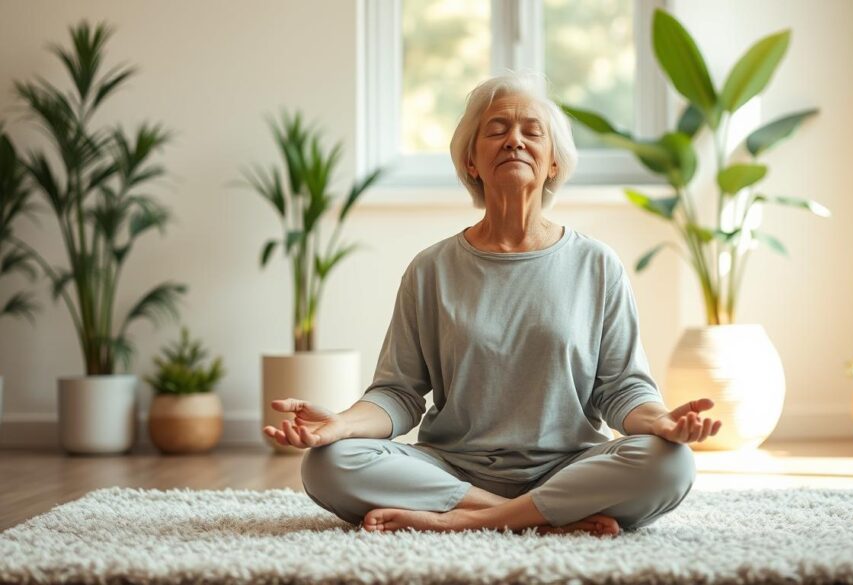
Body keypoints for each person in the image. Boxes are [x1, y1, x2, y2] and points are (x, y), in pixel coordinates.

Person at [263, 71, 722, 537]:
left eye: (532, 131)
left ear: (554, 164)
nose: (515, 141)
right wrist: (340, 424)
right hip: (452, 471)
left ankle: (467, 521)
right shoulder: (431, 269)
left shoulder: (597, 265)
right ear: (471, 162)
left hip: (567, 468)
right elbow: (398, 394)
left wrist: (663, 422)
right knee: (328, 464)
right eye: (497, 129)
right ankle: (536, 517)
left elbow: (622, 389)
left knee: (670, 463)